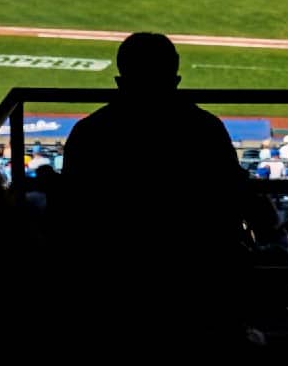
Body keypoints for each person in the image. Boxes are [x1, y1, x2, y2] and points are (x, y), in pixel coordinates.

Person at [58, 33, 249, 349]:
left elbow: (70, 219)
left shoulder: (89, 133)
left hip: (108, 299)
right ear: (175, 77)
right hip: (195, 296)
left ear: (120, 78)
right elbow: (232, 203)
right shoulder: (205, 129)